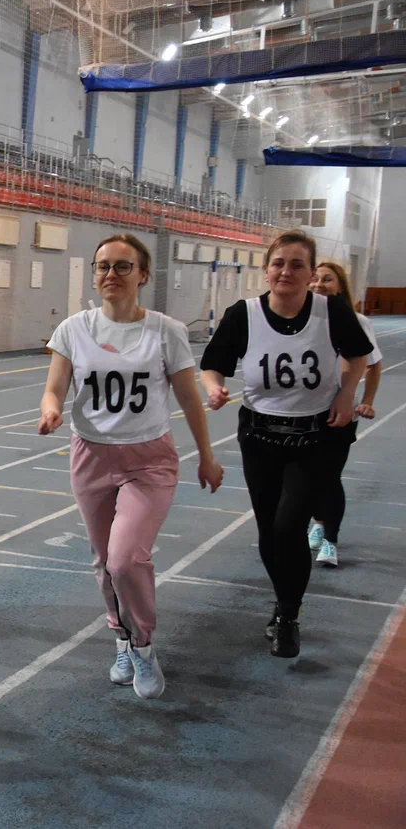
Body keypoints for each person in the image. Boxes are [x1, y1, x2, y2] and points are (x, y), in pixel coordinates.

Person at [38, 234, 224, 699]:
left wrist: (205, 454)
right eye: (103, 266)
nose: (110, 275)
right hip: (91, 455)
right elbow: (54, 387)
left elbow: (187, 397)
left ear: (143, 275)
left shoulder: (165, 330)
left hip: (148, 459)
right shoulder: (74, 329)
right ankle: (121, 638)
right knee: (104, 563)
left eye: (123, 267)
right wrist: (50, 409)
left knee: (125, 559)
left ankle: (142, 644)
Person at [200, 230, 371, 657]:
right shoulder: (245, 314)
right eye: (279, 263)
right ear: (266, 269)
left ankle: (289, 615)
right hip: (260, 437)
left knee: (288, 525)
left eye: (297, 264)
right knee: (267, 531)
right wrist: (215, 388)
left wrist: (347, 393)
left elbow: (359, 355)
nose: (286, 272)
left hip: (316, 436)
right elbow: (212, 364)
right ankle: (282, 602)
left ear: (311, 272)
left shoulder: (331, 312)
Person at [307, 260, 383, 568]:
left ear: (340, 287)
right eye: (315, 278)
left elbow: (374, 363)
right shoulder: (299, 318)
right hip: (302, 412)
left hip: (339, 413)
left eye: (327, 279)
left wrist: (366, 400)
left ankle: (330, 540)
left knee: (328, 476)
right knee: (306, 477)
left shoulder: (356, 321)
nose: (319, 284)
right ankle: (319, 520)